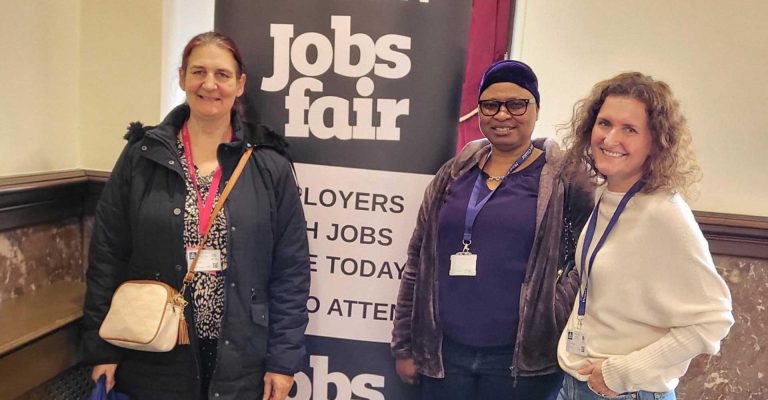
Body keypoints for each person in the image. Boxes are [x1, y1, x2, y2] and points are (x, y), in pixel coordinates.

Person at [81, 31, 310, 400]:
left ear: (240, 84)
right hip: (154, 352)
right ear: (183, 77)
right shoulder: (142, 157)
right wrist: (102, 348)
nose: (209, 84)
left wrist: (282, 361)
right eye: (198, 72)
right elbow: (107, 254)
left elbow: (291, 270)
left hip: (241, 354)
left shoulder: (269, 165)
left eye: (222, 74)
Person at [391, 59, 594, 399]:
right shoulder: (453, 174)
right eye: (490, 105)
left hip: (520, 366)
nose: (502, 115)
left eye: (516, 104)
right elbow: (417, 262)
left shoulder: (565, 179)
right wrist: (405, 345)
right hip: (446, 358)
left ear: (535, 108)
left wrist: (552, 310)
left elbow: (587, 259)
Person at [556, 72, 734, 400]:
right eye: (605, 123)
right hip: (577, 381)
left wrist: (621, 373)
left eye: (630, 129)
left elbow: (715, 319)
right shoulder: (605, 195)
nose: (610, 139)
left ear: (655, 141)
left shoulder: (663, 211)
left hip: (625, 391)